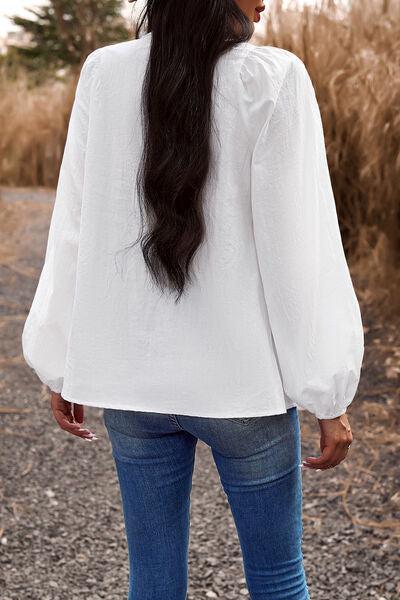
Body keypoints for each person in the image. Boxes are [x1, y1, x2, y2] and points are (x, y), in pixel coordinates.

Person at [21, 0, 364, 598]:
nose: (266, 2)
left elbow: (76, 226)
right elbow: (297, 250)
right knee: (279, 578)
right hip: (243, 389)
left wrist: (62, 359)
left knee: (152, 579)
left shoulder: (103, 72)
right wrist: (325, 390)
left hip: (134, 386)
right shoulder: (273, 78)